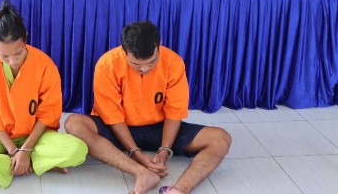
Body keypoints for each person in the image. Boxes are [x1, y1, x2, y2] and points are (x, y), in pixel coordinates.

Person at [65, 21, 231, 194]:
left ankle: (179, 190)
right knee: (74, 124)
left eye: (152, 62)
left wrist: (165, 150)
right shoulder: (107, 64)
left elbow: (174, 112)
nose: (144, 69)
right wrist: (135, 153)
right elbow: (112, 116)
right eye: (136, 64)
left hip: (158, 128)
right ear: (124, 51)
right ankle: (142, 174)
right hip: (117, 128)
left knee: (220, 138)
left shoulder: (173, 62)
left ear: (159, 45)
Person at [0, 1, 87, 188]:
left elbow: (49, 113)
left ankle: (13, 164)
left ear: (25, 38)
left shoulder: (44, 64)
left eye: (17, 53)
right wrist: (13, 150)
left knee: (78, 150)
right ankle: (33, 163)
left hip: (34, 135)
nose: (12, 61)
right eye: (4, 56)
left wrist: (25, 149)